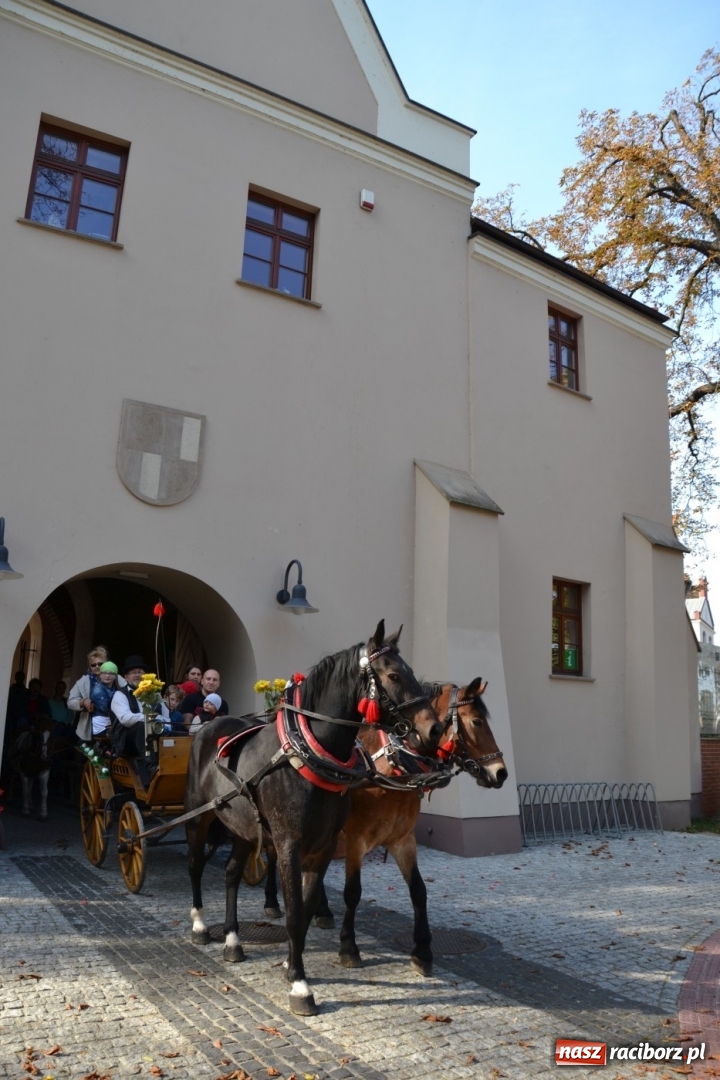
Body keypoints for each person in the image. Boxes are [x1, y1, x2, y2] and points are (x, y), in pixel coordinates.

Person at [109, 656, 168, 761]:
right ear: (126, 677)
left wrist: (160, 722)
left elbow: (166, 718)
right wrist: (150, 718)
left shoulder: (155, 694)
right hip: (129, 743)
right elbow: (125, 719)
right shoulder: (120, 695)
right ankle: (151, 766)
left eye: (140, 672)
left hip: (156, 738)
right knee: (142, 726)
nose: (137, 675)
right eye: (133, 672)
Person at [67, 647, 126, 744]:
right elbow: (70, 702)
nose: (97, 666)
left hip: (115, 726)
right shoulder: (83, 681)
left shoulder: (116, 677)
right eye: (93, 665)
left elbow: (128, 693)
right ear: (90, 667)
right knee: (85, 757)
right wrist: (83, 702)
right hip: (88, 728)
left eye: (100, 664)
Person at [90, 662, 118, 737]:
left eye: (111, 673)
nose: (107, 676)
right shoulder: (98, 690)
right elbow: (106, 708)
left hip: (111, 722)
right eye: (104, 673)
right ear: (100, 675)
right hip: (102, 725)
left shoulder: (114, 688)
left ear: (115, 676)